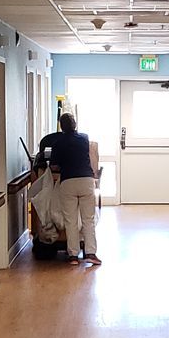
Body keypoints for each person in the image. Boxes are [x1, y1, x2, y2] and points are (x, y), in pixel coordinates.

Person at [37, 113, 100, 265]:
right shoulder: (85, 138)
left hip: (68, 182)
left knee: (70, 220)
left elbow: (53, 166)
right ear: (75, 124)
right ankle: (90, 253)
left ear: (61, 127)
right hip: (86, 180)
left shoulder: (58, 143)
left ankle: (73, 256)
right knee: (88, 219)